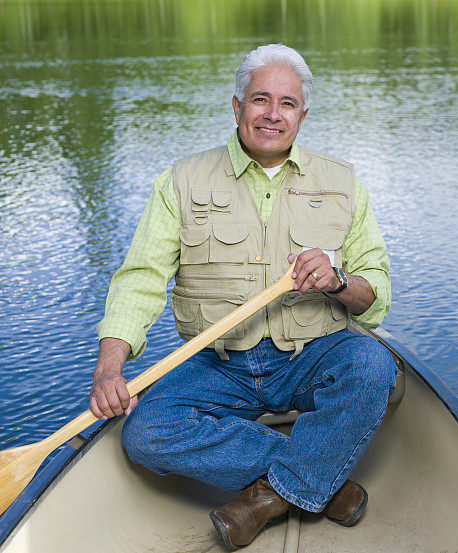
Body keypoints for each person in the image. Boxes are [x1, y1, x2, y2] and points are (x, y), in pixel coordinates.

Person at [89, 44, 396, 549]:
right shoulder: (181, 182)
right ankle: (321, 474)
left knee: (374, 369)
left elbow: (376, 297)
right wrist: (108, 370)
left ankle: (264, 498)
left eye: (288, 104)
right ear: (237, 107)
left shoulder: (343, 183)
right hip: (219, 364)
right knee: (144, 432)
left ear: (302, 114)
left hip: (311, 356)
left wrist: (338, 280)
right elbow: (139, 280)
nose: (273, 115)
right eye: (260, 99)